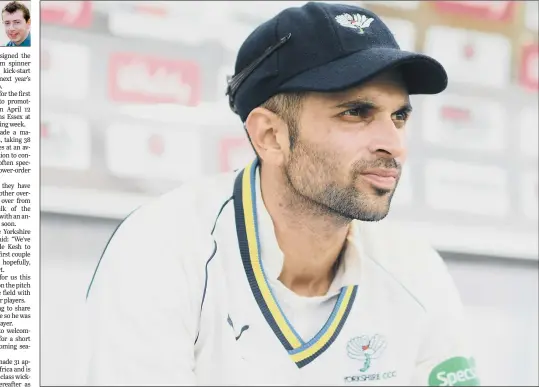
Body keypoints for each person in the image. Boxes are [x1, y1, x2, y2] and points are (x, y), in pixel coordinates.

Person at [86, 2, 480, 386]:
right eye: (356, 113)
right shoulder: (162, 251)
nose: (392, 144)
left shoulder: (416, 270)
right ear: (270, 137)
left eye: (399, 116)